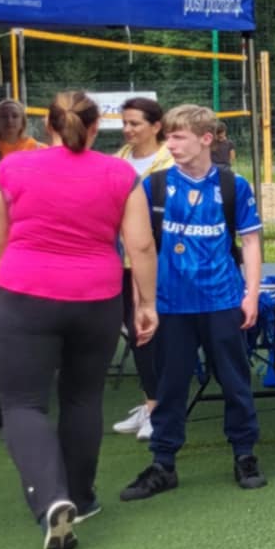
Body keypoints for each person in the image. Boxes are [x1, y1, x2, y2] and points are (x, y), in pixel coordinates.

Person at [0, 91, 157, 549]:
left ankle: (51, 499)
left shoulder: (11, 168)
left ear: (47, 126)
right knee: (83, 397)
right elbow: (141, 246)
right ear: (95, 128)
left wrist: (11, 272)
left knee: (23, 404)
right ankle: (80, 497)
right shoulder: (120, 173)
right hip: (96, 297)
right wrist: (147, 303)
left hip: (25, 294)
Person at [117, 104, 268, 502]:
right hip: (170, 304)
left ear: (205, 139)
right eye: (168, 136)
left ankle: (245, 454)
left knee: (235, 381)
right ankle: (163, 463)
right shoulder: (153, 186)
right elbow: (139, 249)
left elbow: (251, 241)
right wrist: (142, 303)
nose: (170, 144)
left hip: (222, 300)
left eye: (178, 136)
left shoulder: (233, 185)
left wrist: (251, 294)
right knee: (169, 385)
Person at [110, 97, 170, 442]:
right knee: (136, 333)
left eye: (135, 123)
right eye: (125, 123)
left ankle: (157, 408)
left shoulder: (169, 160)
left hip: (155, 260)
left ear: (156, 126)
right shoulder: (117, 160)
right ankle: (151, 402)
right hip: (119, 260)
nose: (128, 129)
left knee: (148, 332)